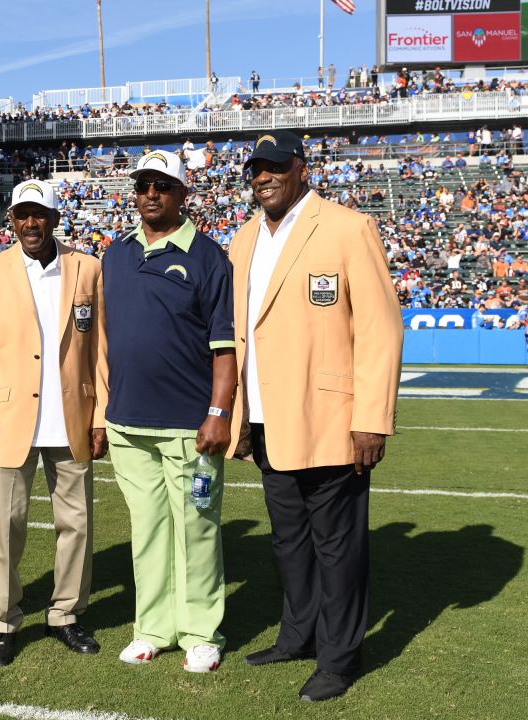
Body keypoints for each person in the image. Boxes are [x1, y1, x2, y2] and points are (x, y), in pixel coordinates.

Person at [226, 130, 403, 702]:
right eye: (256, 168)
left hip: (331, 416)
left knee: (338, 545)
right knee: (289, 541)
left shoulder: (348, 227)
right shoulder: (244, 237)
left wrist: (371, 418)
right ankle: (297, 635)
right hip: (267, 418)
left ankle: (339, 657)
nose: (264, 176)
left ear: (302, 169)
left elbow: (379, 329)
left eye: (276, 165)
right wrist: (240, 415)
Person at [102, 150, 236, 673]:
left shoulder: (207, 257)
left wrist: (219, 412)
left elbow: (224, 350)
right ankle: (152, 628)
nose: (151, 194)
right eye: (143, 186)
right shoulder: (115, 254)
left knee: (198, 530)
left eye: (162, 185)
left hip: (189, 424)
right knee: (149, 532)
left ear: (184, 194)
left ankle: (201, 632)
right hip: (127, 424)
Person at [0, 180, 109, 666]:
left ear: (55, 217)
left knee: (78, 524)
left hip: (73, 417)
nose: (31, 223)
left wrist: (101, 415)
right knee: (4, 527)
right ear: (11, 220)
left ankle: (66, 614)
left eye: (39, 214)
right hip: (9, 422)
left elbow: (100, 351)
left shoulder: (88, 267)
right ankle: (3, 621)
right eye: (21, 215)